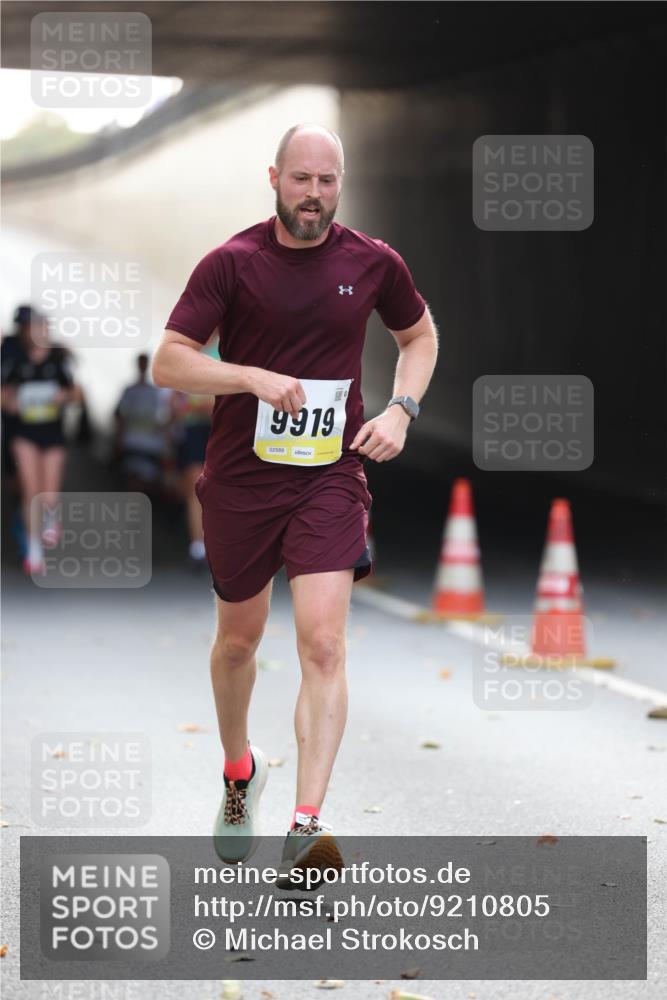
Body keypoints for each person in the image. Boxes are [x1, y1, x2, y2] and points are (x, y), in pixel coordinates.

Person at [153, 123, 438, 880]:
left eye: (327, 181)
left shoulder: (373, 262)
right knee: (238, 643)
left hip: (328, 474)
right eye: (301, 179)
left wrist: (400, 411)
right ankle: (239, 770)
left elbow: (419, 336)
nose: (313, 195)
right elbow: (169, 360)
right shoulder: (233, 263)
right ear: (273, 177)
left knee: (322, 644)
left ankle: (306, 826)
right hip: (243, 477)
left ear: (340, 184)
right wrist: (246, 376)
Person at [1, 305, 82, 574]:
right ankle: (34, 550)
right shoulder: (14, 358)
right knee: (30, 490)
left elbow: (77, 393)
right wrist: (10, 401)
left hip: (52, 432)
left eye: (42, 327)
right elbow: (3, 395)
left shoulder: (59, 359)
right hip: (24, 432)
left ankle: (51, 519)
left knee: (49, 491)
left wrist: (64, 396)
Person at [112, 354, 172, 495]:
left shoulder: (157, 392)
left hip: (150, 444)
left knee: (146, 478)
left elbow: (166, 419)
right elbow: (119, 416)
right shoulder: (130, 390)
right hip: (133, 442)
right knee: (133, 476)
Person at [169, 387, 213, 567]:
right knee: (196, 488)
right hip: (193, 429)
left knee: (221, 488)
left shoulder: (225, 358)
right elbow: (174, 403)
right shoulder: (184, 358)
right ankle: (198, 546)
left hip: (220, 428)